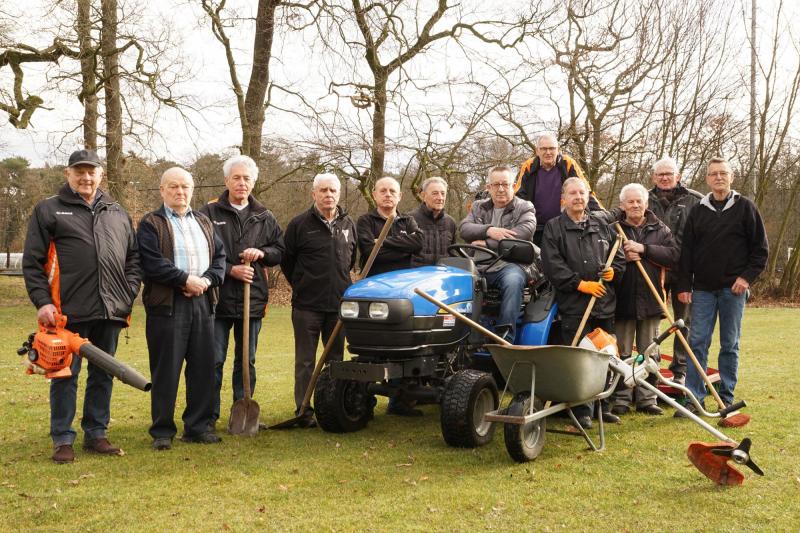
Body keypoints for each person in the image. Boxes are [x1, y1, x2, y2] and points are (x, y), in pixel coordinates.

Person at [22, 149, 141, 464]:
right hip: (65, 312)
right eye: (80, 171)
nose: (86, 177)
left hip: (110, 311)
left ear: (101, 174)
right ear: (68, 174)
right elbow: (33, 263)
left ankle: (97, 434)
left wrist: (127, 294)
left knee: (104, 375)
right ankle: (62, 439)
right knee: (64, 375)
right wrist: (43, 301)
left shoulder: (117, 212)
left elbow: (134, 259)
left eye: (92, 171)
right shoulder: (49, 210)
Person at [137, 167, 226, 450]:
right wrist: (185, 280)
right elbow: (152, 263)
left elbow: (221, 259)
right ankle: (162, 431)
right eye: (173, 187)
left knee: (203, 368)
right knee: (167, 369)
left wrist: (206, 281)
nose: (180, 192)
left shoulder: (205, 221)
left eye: (185, 186)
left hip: (203, 304)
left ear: (192, 189)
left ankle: (197, 427)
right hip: (168, 306)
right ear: (162, 190)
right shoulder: (151, 223)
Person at [676, 157, 768, 416]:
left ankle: (726, 398)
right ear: (707, 178)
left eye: (723, 173)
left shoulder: (746, 208)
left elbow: (760, 251)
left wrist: (746, 278)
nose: (718, 177)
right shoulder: (698, 211)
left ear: (732, 177)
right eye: (713, 174)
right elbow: (687, 252)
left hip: (733, 290)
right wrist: (684, 284)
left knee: (729, 344)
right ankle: (695, 398)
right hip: (703, 290)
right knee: (697, 343)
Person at [200, 155, 284, 432]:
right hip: (217, 300)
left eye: (246, 178)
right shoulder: (208, 214)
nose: (241, 182)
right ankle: (208, 416)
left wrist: (262, 252)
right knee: (214, 359)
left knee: (246, 361)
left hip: (253, 300)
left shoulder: (265, 216)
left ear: (254, 182)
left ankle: (242, 411)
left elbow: (279, 251)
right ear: (226, 181)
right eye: (236, 177)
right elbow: (200, 254)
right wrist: (229, 270)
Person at [541, 177, 625, 429]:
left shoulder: (601, 224)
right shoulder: (554, 228)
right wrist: (579, 284)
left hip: (604, 303)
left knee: (606, 355)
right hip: (575, 305)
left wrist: (614, 272)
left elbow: (617, 256)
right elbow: (552, 265)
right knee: (580, 358)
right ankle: (581, 409)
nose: (578, 197)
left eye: (582, 193)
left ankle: (603, 406)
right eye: (573, 193)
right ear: (563, 199)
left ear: (588, 197)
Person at [282, 173, 357, 427]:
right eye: (323, 190)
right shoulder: (299, 224)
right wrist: (302, 284)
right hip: (306, 306)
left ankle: (333, 406)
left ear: (339, 193)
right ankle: (303, 410)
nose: (328, 195)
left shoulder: (348, 224)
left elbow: (351, 260)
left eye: (333, 190)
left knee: (335, 360)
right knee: (305, 361)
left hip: (338, 306)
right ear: (314, 194)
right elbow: (287, 261)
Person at [610, 184, 678, 417]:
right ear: (623, 205)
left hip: (651, 301)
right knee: (623, 353)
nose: (635, 205)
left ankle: (647, 398)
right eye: (630, 202)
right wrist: (624, 257)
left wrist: (645, 249)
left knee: (650, 353)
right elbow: (604, 259)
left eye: (639, 201)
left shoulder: (661, 229)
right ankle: (621, 398)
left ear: (646, 204)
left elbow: (673, 256)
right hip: (622, 301)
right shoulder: (613, 229)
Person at [356, 176, 423, 416]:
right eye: (382, 190)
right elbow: (370, 252)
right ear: (374, 194)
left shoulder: (408, 220)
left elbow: (418, 243)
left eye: (392, 191)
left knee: (402, 348)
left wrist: (384, 242)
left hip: (402, 295)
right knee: (370, 351)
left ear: (399, 196)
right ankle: (362, 404)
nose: (387, 195)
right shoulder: (365, 221)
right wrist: (395, 246)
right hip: (373, 293)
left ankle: (400, 402)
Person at [460, 165, 537, 343]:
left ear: (514, 186)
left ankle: (504, 337)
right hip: (479, 265)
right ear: (488, 187)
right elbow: (464, 229)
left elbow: (522, 234)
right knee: (457, 280)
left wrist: (486, 242)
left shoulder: (525, 208)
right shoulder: (478, 207)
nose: (500, 189)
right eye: (496, 184)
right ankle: (464, 337)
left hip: (510, 265)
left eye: (505, 184)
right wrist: (489, 230)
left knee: (513, 281)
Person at [647, 157, 703, 385]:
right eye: (660, 174)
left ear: (678, 176)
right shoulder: (644, 199)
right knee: (651, 320)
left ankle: (680, 370)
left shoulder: (695, 201)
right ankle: (651, 368)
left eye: (669, 174)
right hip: (652, 268)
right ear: (654, 177)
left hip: (684, 271)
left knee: (683, 321)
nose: (664, 178)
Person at [514, 133, 599, 245]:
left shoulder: (567, 163)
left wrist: (600, 214)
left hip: (565, 227)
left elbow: (585, 191)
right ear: (537, 151)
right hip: (536, 228)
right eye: (544, 148)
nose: (548, 152)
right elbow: (518, 195)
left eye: (552, 148)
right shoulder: (529, 166)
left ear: (558, 150)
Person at [410, 176, 457, 267]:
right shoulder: (409, 219)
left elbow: (453, 253)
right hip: (416, 276)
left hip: (443, 276)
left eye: (443, 194)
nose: (440, 198)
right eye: (435, 193)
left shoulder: (451, 222)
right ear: (423, 196)